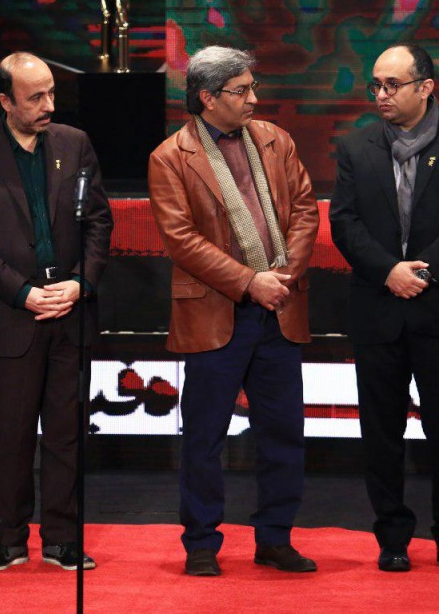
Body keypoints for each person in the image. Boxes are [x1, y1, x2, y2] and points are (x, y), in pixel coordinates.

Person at [148, 46, 320, 577]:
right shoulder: (170, 157)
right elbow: (181, 239)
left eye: (252, 87)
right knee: (204, 438)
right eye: (241, 90)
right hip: (216, 312)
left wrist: (280, 278)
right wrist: (250, 282)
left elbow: (306, 210)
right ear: (207, 97)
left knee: (284, 434)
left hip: (279, 309)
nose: (253, 99)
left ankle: (275, 538)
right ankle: (201, 542)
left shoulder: (275, 140)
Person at [329, 43, 439, 572]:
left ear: (425, 87)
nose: (381, 95)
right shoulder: (355, 146)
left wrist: (421, 272)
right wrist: (389, 272)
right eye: (375, 85)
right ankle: (392, 537)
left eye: (392, 85)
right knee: (381, 432)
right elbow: (344, 223)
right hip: (377, 309)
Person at [0, 52, 113, 571]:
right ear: (6, 101)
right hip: (13, 314)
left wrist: (81, 283)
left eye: (51, 93)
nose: (48, 105)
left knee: (67, 433)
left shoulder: (74, 144)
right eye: (35, 97)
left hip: (71, 312)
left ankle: (63, 538)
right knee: (14, 434)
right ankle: (11, 538)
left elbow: (98, 222)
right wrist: (22, 292)